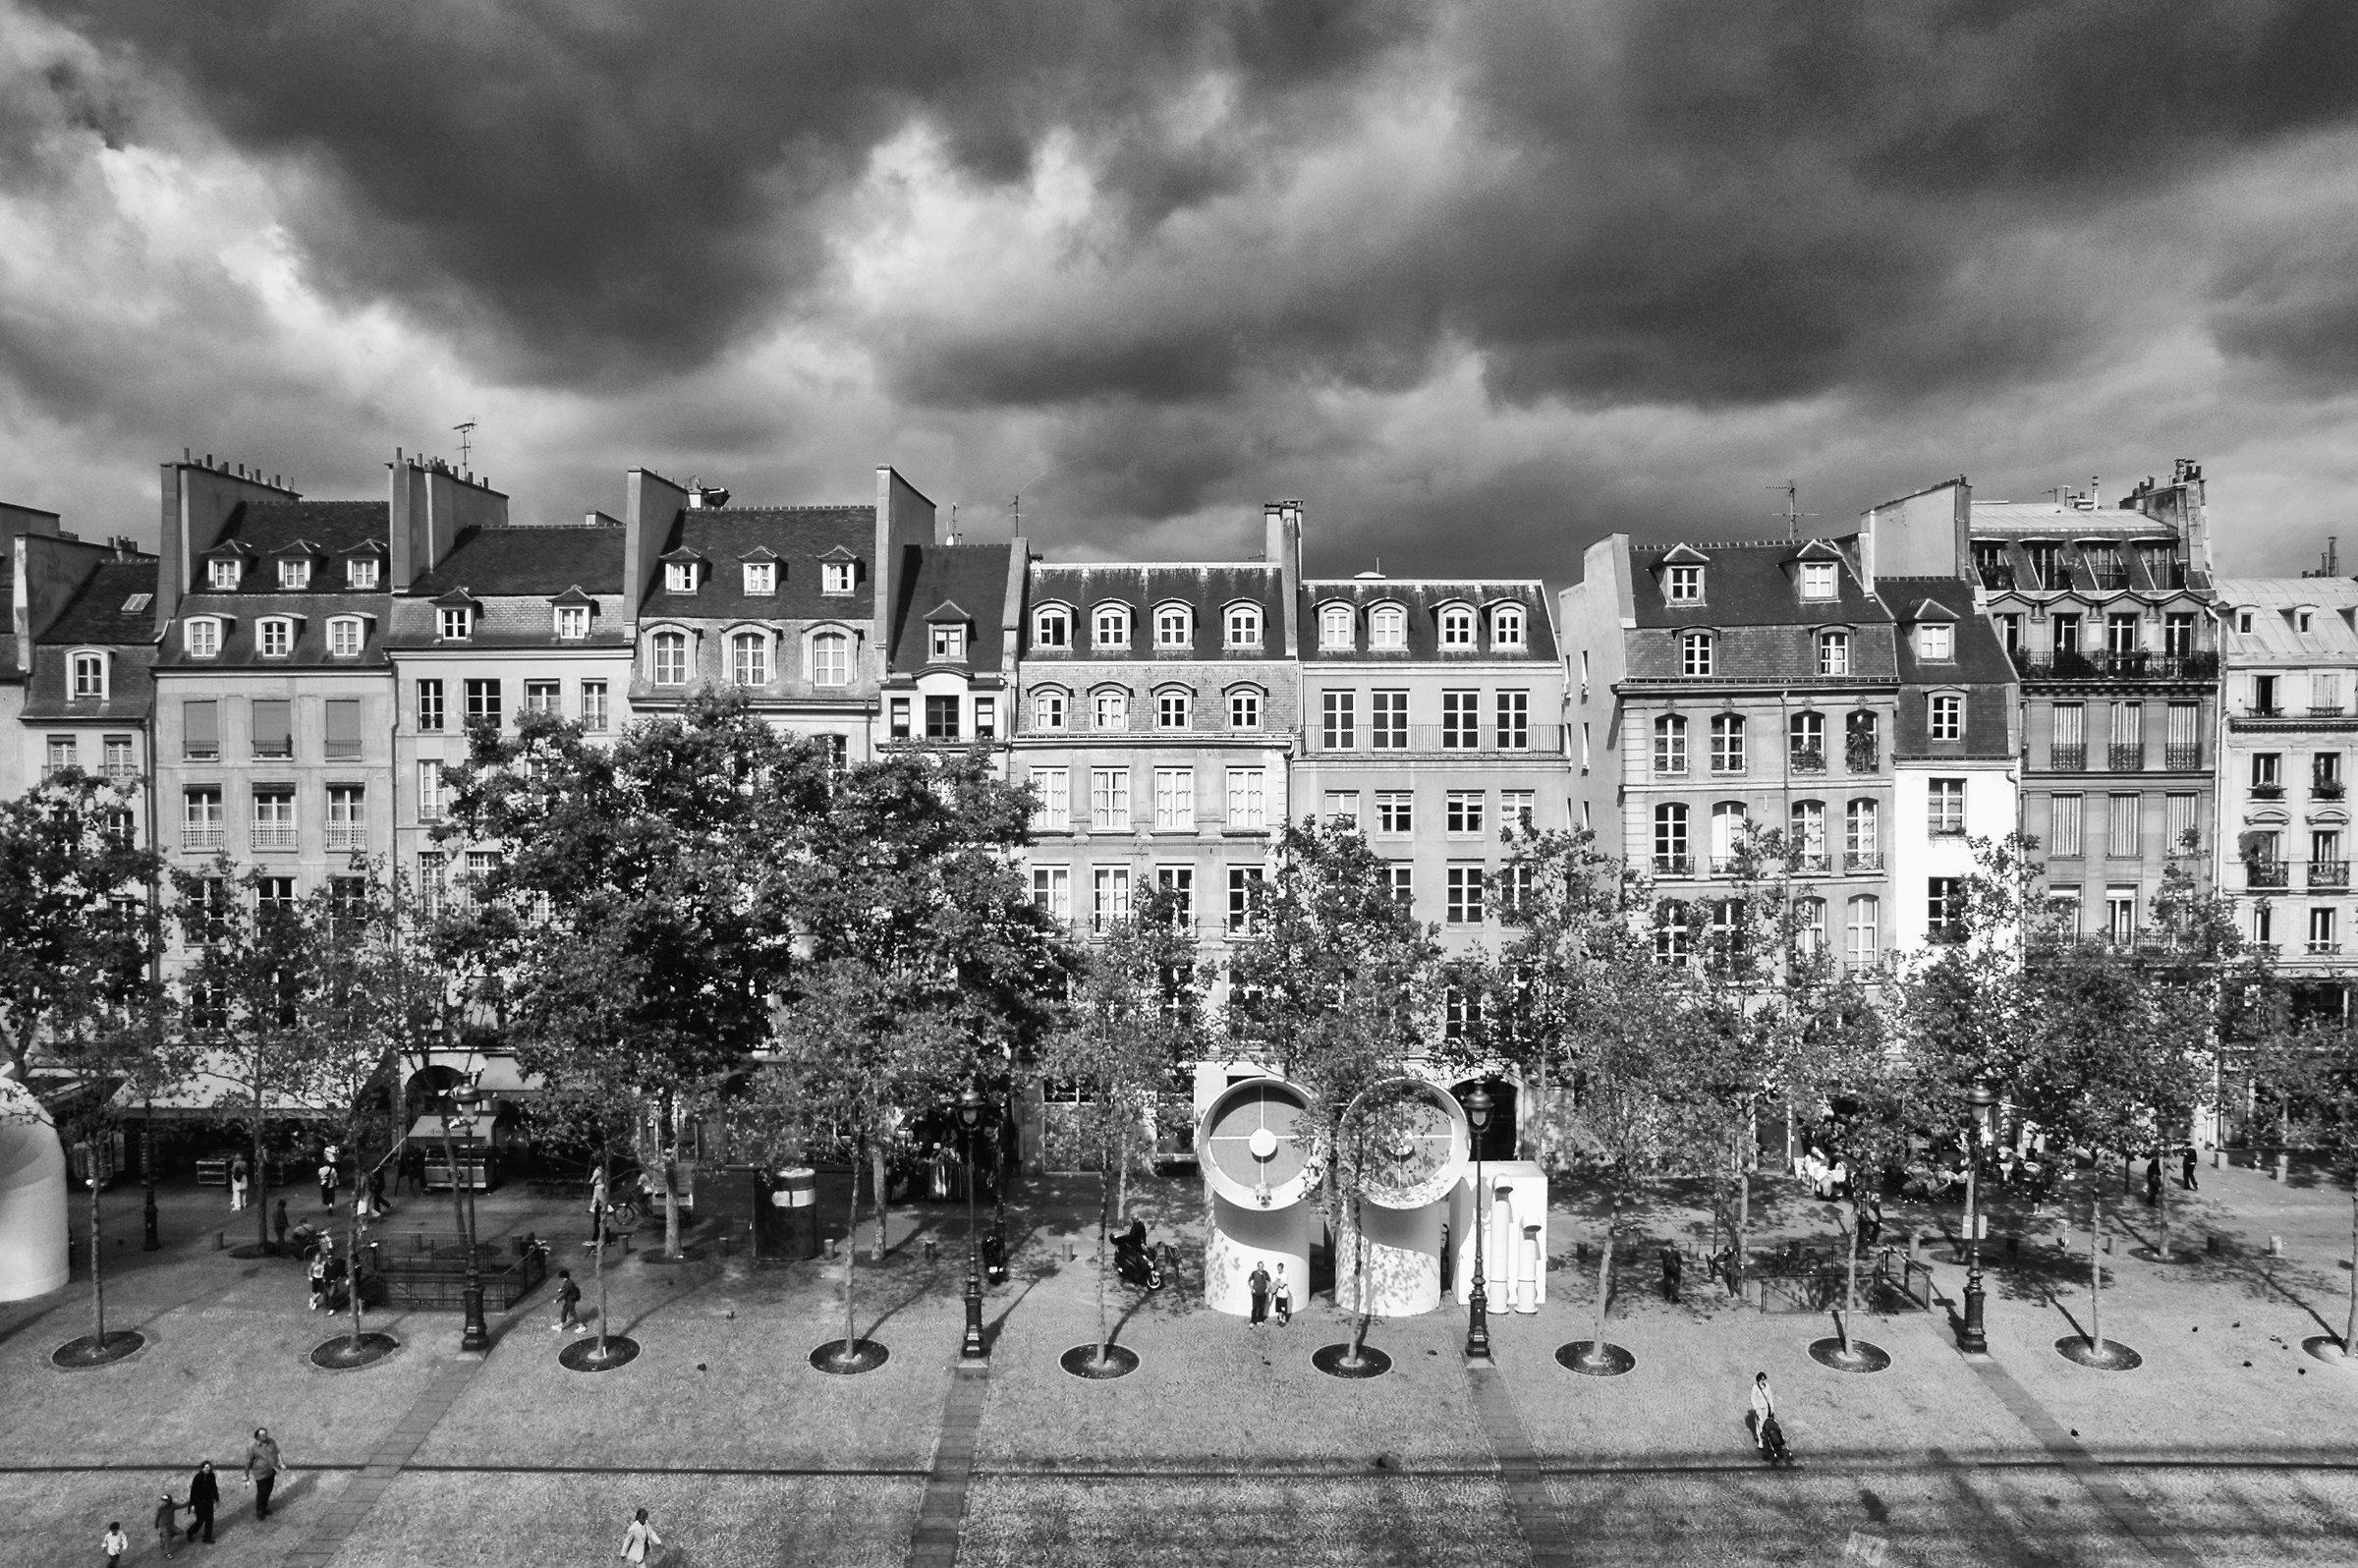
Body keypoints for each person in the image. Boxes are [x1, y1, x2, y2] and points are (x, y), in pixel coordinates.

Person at [244, 1428, 282, 1519]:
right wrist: (246, 1475)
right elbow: (248, 1462)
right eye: (262, 1435)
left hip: (270, 1471)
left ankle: (265, 1507)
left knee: (268, 1490)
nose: (265, 1436)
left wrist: (280, 1463)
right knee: (262, 1492)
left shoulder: (271, 1442)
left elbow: (276, 1452)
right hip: (260, 1474)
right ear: (257, 1437)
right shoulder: (252, 1447)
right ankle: (260, 1510)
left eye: (266, 1433)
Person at [186, 1461, 219, 1544]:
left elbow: (214, 1488)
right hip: (199, 1502)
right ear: (202, 1468)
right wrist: (192, 1504)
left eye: (209, 1467)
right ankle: (190, 1531)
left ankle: (207, 1537)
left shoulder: (212, 1476)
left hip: (209, 1501)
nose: (208, 1469)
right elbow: (193, 1492)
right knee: (200, 1520)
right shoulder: (197, 1478)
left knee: (209, 1520)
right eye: (206, 1467)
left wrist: (217, 1499)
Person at [553, 1269, 585, 1333]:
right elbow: (567, 1290)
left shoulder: (567, 1284)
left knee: (573, 1313)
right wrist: (562, 1290)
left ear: (563, 1277)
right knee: (564, 1312)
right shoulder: (570, 1282)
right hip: (569, 1300)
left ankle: (581, 1326)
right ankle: (561, 1325)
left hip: (570, 1300)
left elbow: (565, 1294)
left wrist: (557, 1300)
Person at [1749, 1372, 1774, 1451]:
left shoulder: (1767, 1386)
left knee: (1765, 1424)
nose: (1763, 1381)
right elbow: (1752, 1398)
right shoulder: (1755, 1388)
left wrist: (1771, 1408)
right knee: (1759, 1424)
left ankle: (1766, 1440)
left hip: (1765, 1407)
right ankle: (1760, 1441)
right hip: (1758, 1408)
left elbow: (1769, 1397)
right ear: (1759, 1379)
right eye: (1762, 1379)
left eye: (1764, 1379)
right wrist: (1756, 1408)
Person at [152, 1493, 181, 1560]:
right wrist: (156, 1524)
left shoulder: (173, 1506)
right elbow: (157, 1517)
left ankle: (163, 1538)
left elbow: (181, 1505)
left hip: (170, 1525)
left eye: (164, 1501)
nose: (162, 1502)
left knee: (180, 1532)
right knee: (167, 1539)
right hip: (163, 1526)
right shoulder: (161, 1509)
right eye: (162, 1500)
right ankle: (167, 1553)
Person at [1247, 1260, 1271, 1326]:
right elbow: (1249, 1281)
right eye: (1260, 1266)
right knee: (1254, 1307)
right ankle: (1252, 1322)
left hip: (1263, 1294)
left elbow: (1269, 1281)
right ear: (1258, 1267)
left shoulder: (1265, 1273)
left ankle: (1259, 1321)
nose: (1261, 1268)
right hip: (1255, 1294)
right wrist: (1252, 1289)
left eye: (1262, 1266)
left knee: (1261, 1307)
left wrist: (1267, 1289)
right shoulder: (1254, 1273)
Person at [1272, 1262, 1293, 1326]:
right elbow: (1276, 1283)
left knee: (1283, 1308)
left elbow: (1282, 1285)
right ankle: (1280, 1319)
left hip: (1283, 1295)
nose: (1279, 1270)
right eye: (1278, 1269)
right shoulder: (1277, 1275)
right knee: (1278, 1308)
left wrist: (1276, 1283)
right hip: (1278, 1294)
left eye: (1280, 1269)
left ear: (1282, 1268)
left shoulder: (1285, 1276)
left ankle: (1284, 1320)